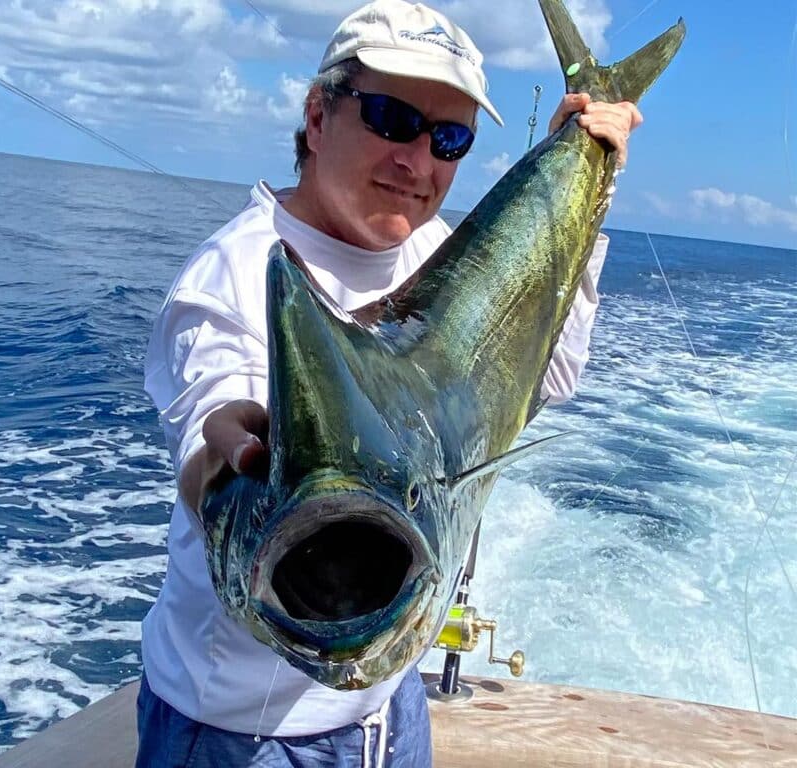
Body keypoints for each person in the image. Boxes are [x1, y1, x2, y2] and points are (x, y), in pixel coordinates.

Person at [137, 1, 642, 765]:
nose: (419, 161)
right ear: (317, 114)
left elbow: (550, 376)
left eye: (450, 138)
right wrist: (221, 459)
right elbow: (213, 428)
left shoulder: (434, 249)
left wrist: (584, 184)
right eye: (389, 117)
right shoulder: (229, 276)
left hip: (395, 704)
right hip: (241, 737)